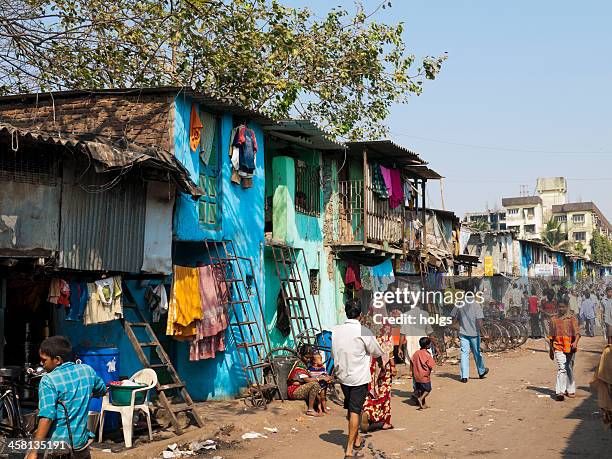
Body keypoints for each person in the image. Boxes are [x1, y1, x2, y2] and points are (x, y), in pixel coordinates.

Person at [27, 336, 106, 459]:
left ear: (57, 360)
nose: (41, 363)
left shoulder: (48, 380)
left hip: (58, 450)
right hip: (81, 446)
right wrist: (86, 394)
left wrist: (33, 451)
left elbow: (47, 418)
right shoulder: (87, 370)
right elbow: (102, 389)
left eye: (44, 360)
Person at [332, 299, 383, 458]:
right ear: (360, 314)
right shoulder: (364, 331)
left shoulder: (336, 330)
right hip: (358, 378)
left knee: (353, 408)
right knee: (354, 411)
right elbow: (376, 351)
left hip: (343, 376)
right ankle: (348, 450)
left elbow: (334, 352)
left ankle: (356, 440)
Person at [362, 323, 396, 432]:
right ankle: (385, 421)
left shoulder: (366, 326)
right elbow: (388, 350)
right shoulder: (386, 328)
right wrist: (393, 365)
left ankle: (368, 411)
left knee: (371, 392)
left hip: (369, 366)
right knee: (384, 393)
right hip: (383, 367)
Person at [548, 302, 580, 401]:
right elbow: (551, 337)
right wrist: (551, 350)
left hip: (570, 347)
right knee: (562, 368)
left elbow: (577, 333)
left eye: (563, 307)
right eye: (560, 307)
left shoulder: (572, 319)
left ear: (566, 307)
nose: (561, 309)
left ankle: (570, 389)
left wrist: (575, 343)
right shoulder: (553, 319)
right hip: (558, 347)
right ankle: (560, 392)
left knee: (569, 367)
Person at [450, 300, 489, 383]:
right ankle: (481, 371)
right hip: (474, 333)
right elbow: (479, 321)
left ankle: (464, 376)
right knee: (476, 352)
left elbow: (453, 316)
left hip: (463, 332)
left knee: (464, 353)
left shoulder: (459, 303)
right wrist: (483, 332)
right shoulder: (476, 304)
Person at [287, 344, 329, 416]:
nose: (308, 359)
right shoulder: (300, 365)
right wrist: (321, 378)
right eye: (307, 357)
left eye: (310, 358)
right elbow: (308, 380)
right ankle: (310, 410)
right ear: (301, 354)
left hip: (300, 388)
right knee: (315, 384)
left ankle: (320, 408)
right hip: (294, 391)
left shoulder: (306, 364)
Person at [412, 336, 435, 410]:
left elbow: (412, 361)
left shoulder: (416, 353)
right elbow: (431, 365)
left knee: (421, 390)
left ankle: (423, 404)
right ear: (427, 345)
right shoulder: (427, 355)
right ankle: (420, 399)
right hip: (424, 376)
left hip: (416, 375)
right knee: (428, 389)